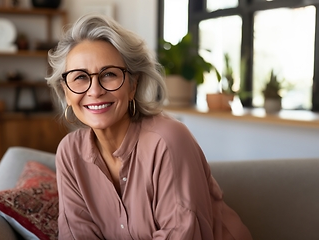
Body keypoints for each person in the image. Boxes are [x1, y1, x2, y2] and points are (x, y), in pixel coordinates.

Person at [46, 14, 253, 240]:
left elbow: (181, 234)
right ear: (65, 91)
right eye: (80, 78)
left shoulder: (168, 139)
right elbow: (77, 235)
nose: (95, 91)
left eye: (109, 75)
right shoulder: (69, 153)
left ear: (133, 85)